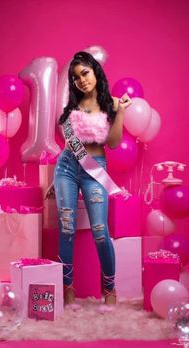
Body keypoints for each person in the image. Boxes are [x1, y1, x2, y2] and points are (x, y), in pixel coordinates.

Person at [45, 51, 131, 307]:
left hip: (94, 169)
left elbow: (114, 144)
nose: (81, 80)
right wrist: (56, 180)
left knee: (100, 231)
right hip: (66, 169)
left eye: (85, 73)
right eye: (75, 77)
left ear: (95, 71)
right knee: (67, 228)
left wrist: (121, 113)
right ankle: (67, 288)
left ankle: (110, 290)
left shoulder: (112, 104)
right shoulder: (71, 108)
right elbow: (68, 148)